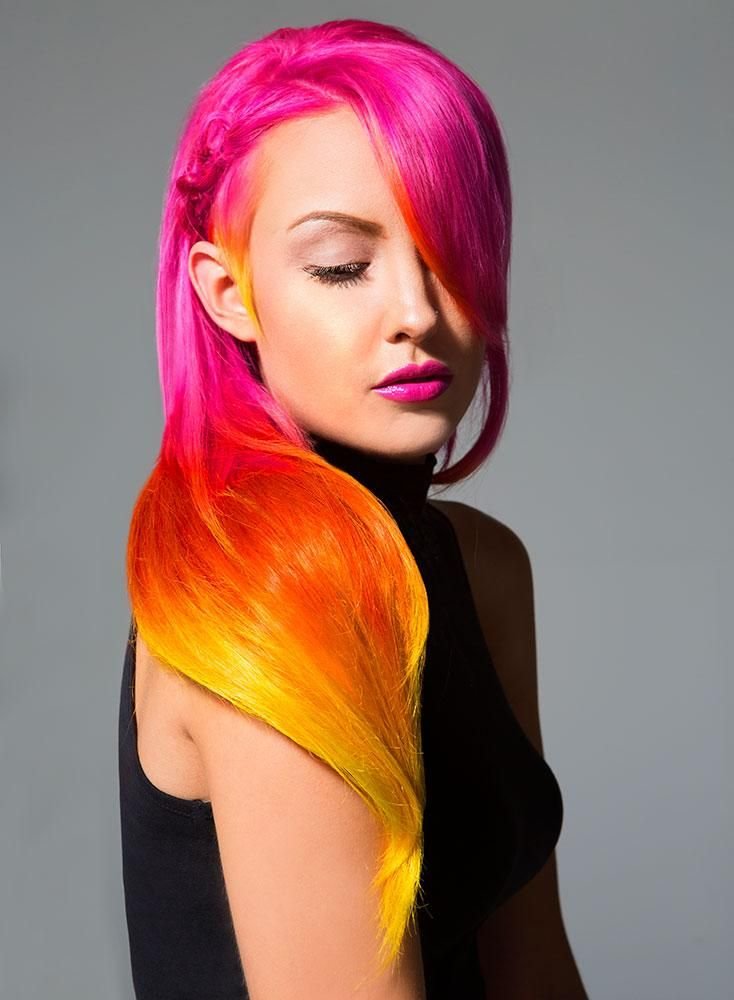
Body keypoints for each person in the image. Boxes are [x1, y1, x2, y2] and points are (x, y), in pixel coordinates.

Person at [118, 17, 588, 999]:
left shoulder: (481, 563)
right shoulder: (277, 584)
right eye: (341, 265)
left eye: (452, 252)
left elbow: (532, 965)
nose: (416, 311)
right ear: (228, 293)